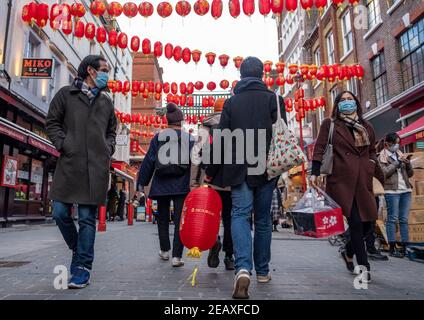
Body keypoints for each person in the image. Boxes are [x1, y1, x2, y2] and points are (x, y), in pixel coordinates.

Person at [206, 57, 287, 299]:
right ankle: (262, 271)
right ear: (262, 74)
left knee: (240, 215)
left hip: (238, 168)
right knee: (262, 220)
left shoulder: (231, 103)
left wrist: (211, 169)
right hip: (266, 168)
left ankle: (243, 268)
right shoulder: (275, 99)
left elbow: (221, 138)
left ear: (241, 76)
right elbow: (281, 133)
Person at [46, 55, 117, 288]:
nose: (107, 74)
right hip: (69, 163)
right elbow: (52, 122)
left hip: (96, 167)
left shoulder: (106, 102)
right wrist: (63, 144)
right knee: (59, 212)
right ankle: (78, 248)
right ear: (90, 71)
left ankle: (83, 268)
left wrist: (107, 149)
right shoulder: (66, 95)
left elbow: (112, 131)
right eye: (104, 69)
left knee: (87, 219)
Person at [311, 91, 377, 283]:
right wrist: (314, 172)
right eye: (343, 100)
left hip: (363, 179)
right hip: (341, 179)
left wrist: (371, 164)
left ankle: (348, 251)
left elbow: (372, 149)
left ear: (356, 102)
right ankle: (364, 268)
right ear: (337, 104)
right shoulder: (330, 124)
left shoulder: (366, 125)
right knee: (356, 222)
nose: (347, 103)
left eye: (350, 99)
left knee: (368, 223)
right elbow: (320, 148)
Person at [137, 103, 194, 267]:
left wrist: (142, 182)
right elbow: (195, 161)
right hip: (181, 184)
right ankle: (177, 256)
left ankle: (164, 250)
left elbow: (149, 161)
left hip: (161, 183)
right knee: (179, 221)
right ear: (181, 121)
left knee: (162, 218)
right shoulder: (188, 139)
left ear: (167, 121)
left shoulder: (158, 138)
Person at [190, 98, 235, 271]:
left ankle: (214, 241)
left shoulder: (204, 128)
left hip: (208, 180)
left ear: (213, 110)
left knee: (210, 216)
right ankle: (229, 256)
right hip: (231, 181)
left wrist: (193, 183)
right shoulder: (234, 125)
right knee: (230, 218)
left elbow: (195, 158)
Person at [379, 132, 414, 258]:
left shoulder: (400, 154)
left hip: (405, 190)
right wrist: (396, 163)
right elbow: (384, 174)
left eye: (398, 143)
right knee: (392, 218)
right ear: (387, 143)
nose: (396, 146)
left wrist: (408, 163)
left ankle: (406, 246)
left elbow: (409, 175)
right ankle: (392, 247)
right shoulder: (382, 157)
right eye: (394, 143)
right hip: (391, 191)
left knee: (404, 219)